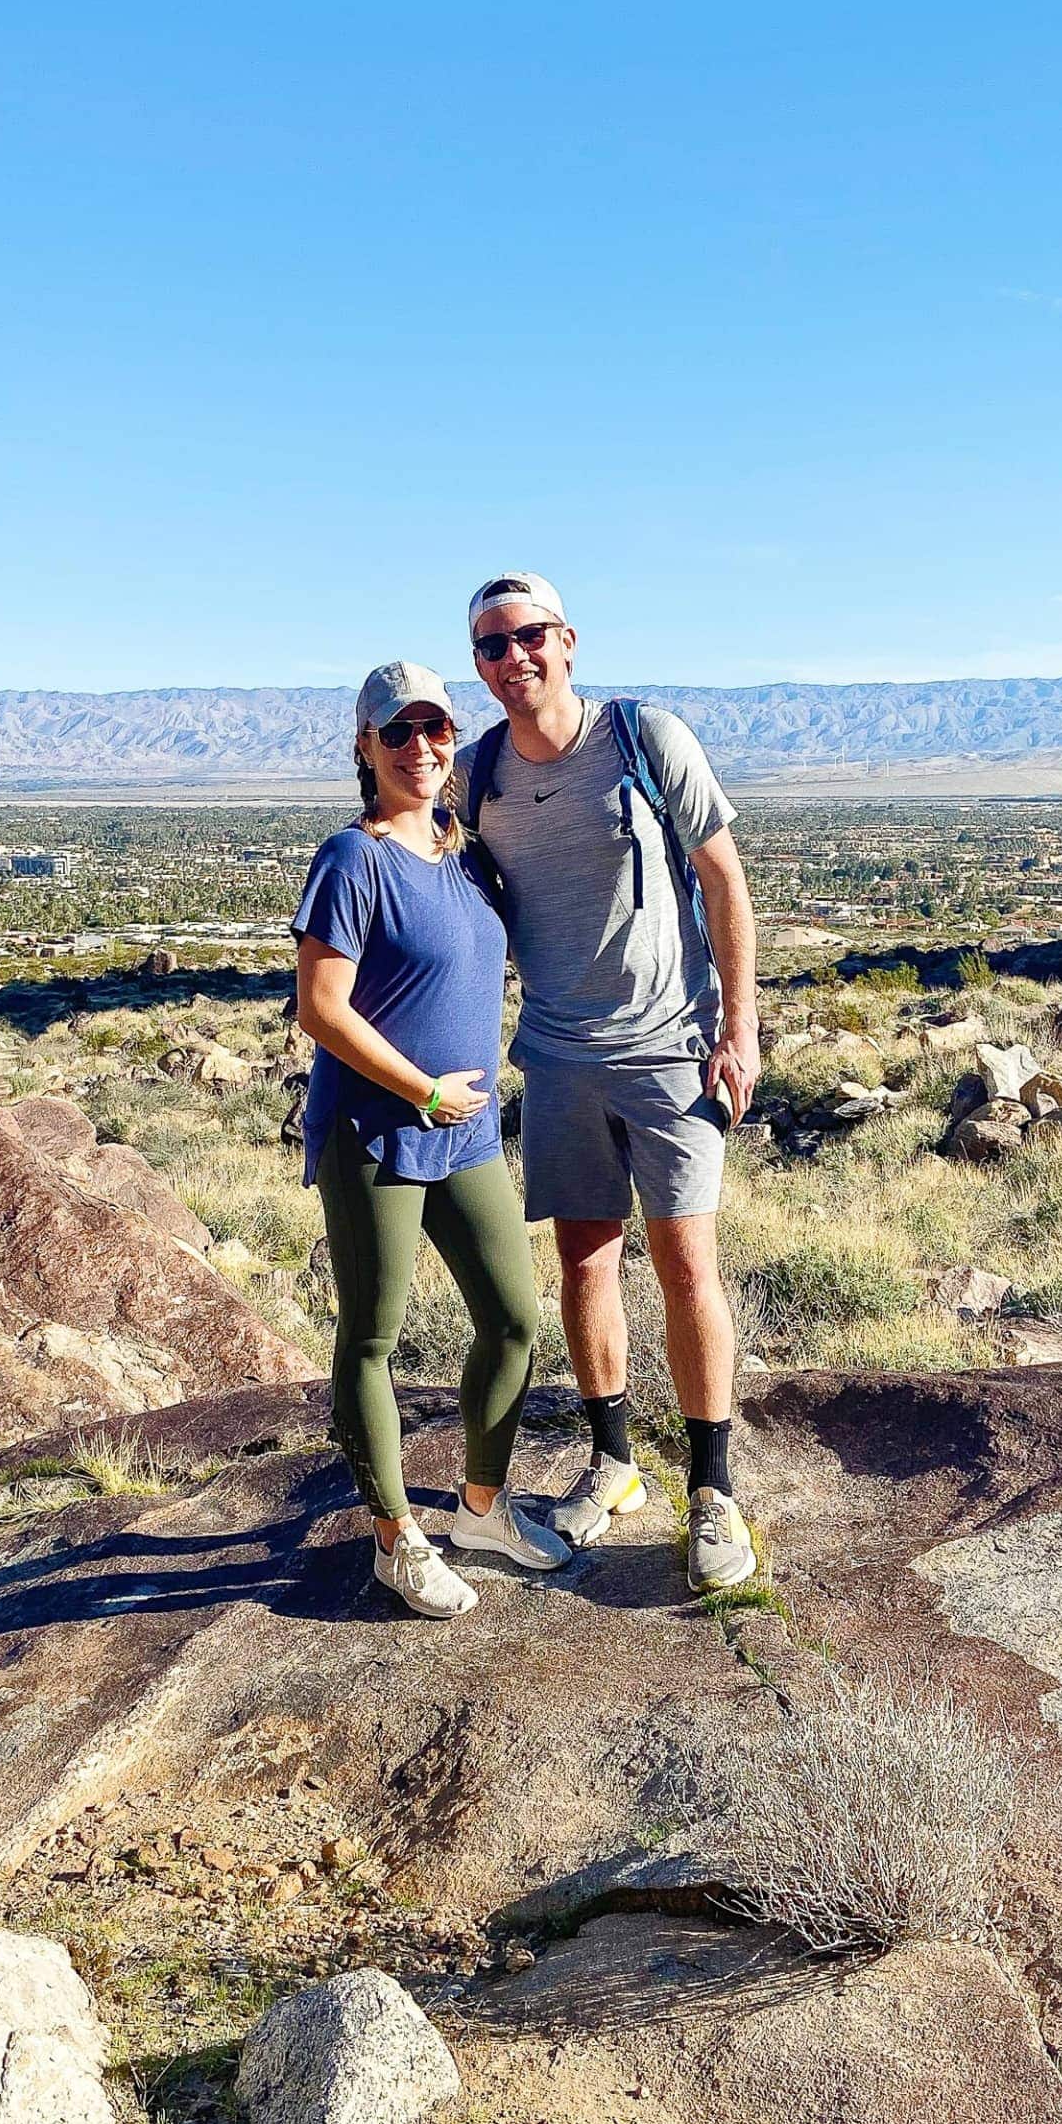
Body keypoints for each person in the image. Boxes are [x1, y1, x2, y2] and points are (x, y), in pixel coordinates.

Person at [455, 575, 761, 1593]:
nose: (514, 659)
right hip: (555, 1054)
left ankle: (712, 1492)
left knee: (685, 1266)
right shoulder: (476, 775)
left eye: (529, 636)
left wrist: (741, 1030)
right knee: (586, 1267)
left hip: (672, 1046)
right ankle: (616, 1464)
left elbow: (723, 877)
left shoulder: (643, 735)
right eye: (492, 646)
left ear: (569, 641)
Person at [292, 658, 573, 1619]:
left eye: (436, 729)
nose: (421, 747)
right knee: (372, 1336)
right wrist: (420, 1089)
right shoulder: (352, 860)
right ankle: (395, 1539)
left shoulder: (468, 855)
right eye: (398, 731)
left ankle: (481, 1510)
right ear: (365, 748)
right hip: (377, 1129)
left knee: (513, 1318)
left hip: (468, 1133)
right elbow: (320, 1009)